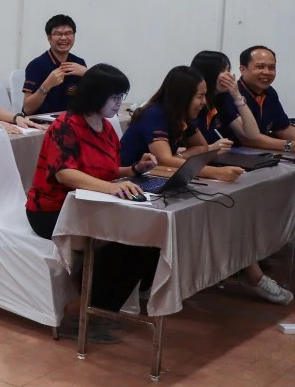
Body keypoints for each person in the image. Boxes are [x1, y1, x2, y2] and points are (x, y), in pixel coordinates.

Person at [121, 65, 291, 304]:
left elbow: (205, 149)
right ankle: (250, 275)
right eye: (200, 96)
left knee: (226, 208)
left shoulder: (182, 116)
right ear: (183, 95)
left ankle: (248, 272)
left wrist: (196, 154)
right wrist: (214, 171)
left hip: (162, 177)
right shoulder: (154, 114)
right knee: (216, 210)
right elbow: (165, 159)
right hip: (132, 181)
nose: (203, 102)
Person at [25, 64, 161, 342]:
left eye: (121, 97)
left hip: (91, 204)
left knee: (146, 239)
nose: (119, 104)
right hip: (53, 209)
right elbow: (65, 173)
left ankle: (98, 308)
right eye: (114, 98)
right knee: (125, 238)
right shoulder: (65, 126)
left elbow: (106, 171)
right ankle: (80, 313)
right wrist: (112, 188)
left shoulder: (107, 128)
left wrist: (134, 170)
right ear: (96, 96)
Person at [21, 14, 88, 115]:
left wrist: (88, 74)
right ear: (49, 38)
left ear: (74, 36)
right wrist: (47, 84)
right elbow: (27, 109)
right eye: (58, 34)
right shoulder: (36, 66)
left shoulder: (79, 63)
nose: (64, 38)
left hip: (72, 121)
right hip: (43, 123)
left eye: (68, 33)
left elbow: (91, 100)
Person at [189, 51, 261, 144]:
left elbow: (253, 135)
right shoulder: (190, 101)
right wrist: (210, 149)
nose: (228, 75)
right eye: (222, 70)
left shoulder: (223, 98)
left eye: (228, 70)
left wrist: (237, 96)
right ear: (208, 73)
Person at [233, 46, 295, 152]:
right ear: (242, 69)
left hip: (261, 154)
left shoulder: (270, 92)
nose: (266, 72)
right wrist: (289, 146)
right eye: (260, 67)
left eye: (272, 68)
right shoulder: (232, 94)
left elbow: (283, 129)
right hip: (234, 155)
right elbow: (249, 139)